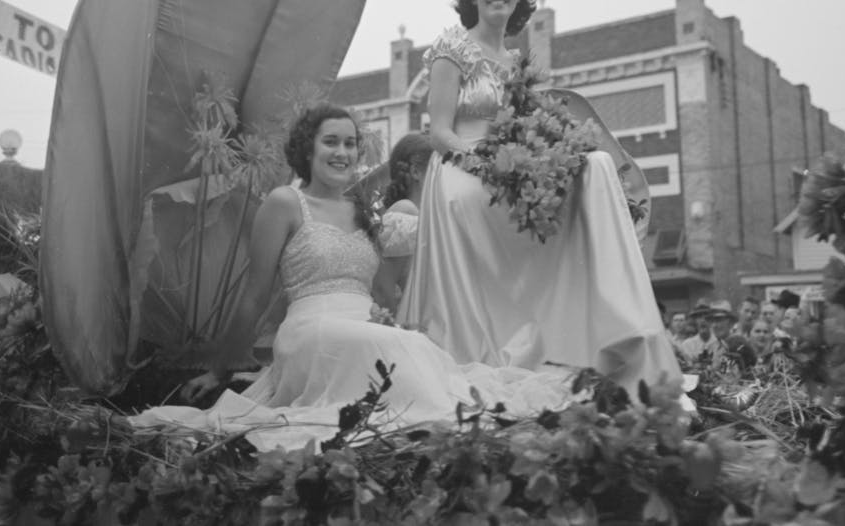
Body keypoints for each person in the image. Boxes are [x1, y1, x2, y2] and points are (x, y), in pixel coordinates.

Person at [138, 103, 570, 451]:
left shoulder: (361, 209)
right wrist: (219, 370)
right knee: (380, 346)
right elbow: (255, 294)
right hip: (312, 328)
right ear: (308, 149)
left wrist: (402, 321)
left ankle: (447, 418)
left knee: (412, 343)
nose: (342, 152)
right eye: (331, 142)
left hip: (363, 323)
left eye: (350, 144)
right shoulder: (284, 203)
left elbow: (381, 289)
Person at [397, 0, 681, 396]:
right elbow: (439, 132)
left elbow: (524, 131)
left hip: (510, 169)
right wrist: (486, 166)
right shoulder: (452, 47)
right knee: (496, 196)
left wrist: (546, 162)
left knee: (596, 167)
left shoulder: (515, 63)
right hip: (459, 168)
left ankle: (617, 329)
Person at [371, 132, 434, 312]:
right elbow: (382, 289)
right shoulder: (405, 211)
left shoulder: (422, 215)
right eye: (438, 168)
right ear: (416, 172)